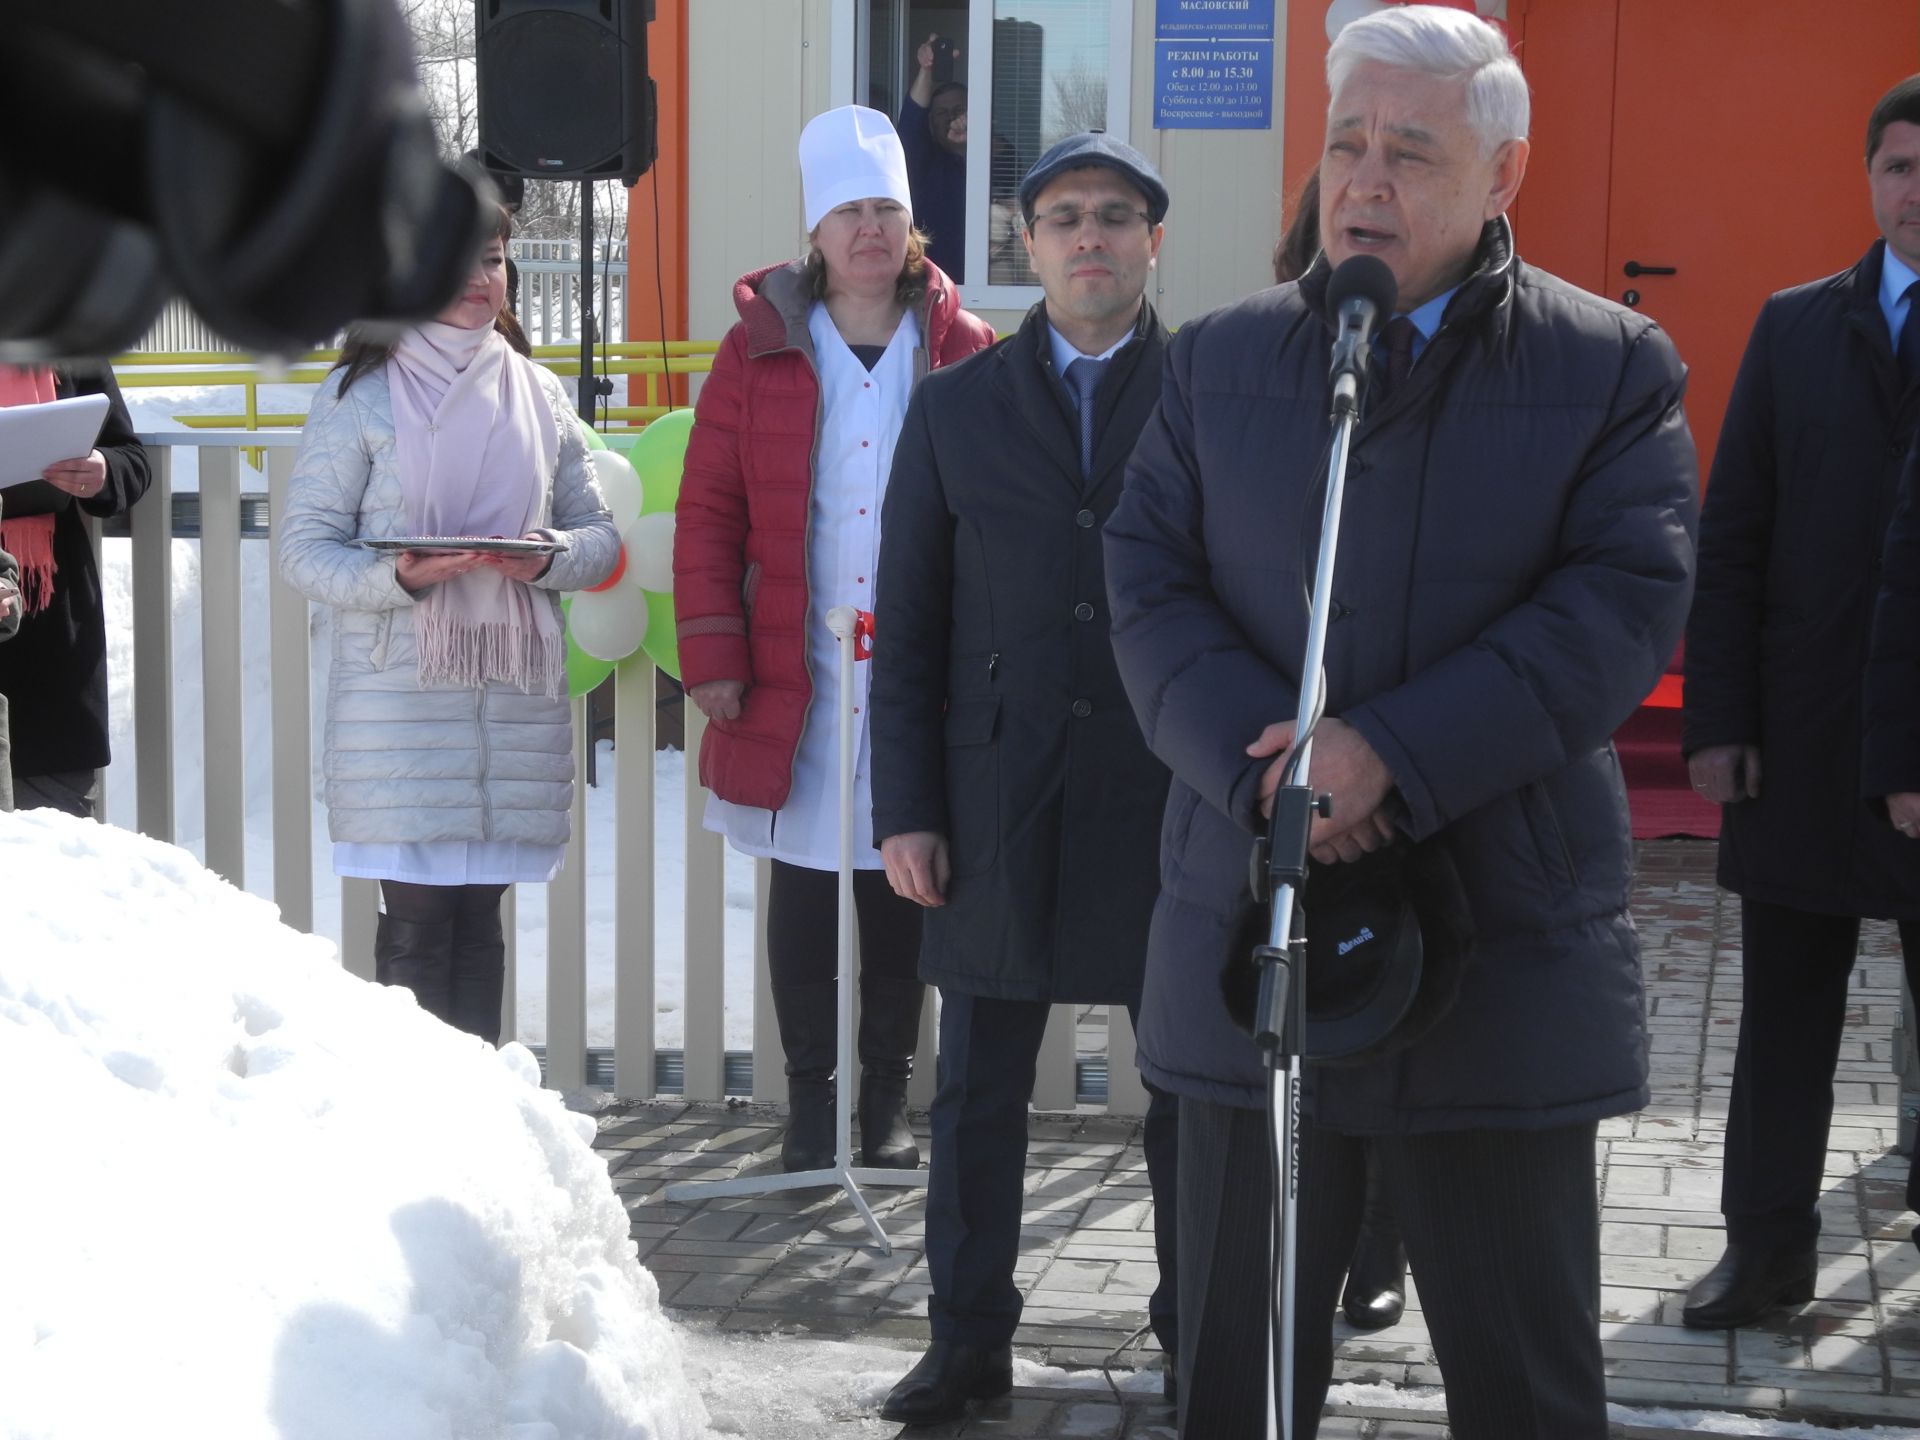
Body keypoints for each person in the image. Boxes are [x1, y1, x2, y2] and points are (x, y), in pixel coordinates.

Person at [1104, 8, 1697, 1437]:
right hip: (1262, 946)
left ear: (1502, 173)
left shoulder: (1610, 367)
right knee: (1233, 1387)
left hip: (1500, 958)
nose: (1363, 183)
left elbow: (1618, 607)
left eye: (1410, 152)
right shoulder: (1220, 360)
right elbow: (1146, 585)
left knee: (1529, 1389)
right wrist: (1282, 775)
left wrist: (1392, 758)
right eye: (1347, 145)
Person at [870, 132, 1180, 1426]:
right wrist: (908, 809)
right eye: (1064, 218)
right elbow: (911, 619)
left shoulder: (1212, 389)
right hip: (998, 797)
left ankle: (1201, 1328)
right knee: (979, 1091)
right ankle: (966, 1343)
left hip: (1172, 794)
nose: (1090, 237)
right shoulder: (955, 405)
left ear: (1153, 239)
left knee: (1190, 1089)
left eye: (1115, 215)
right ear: (1026, 242)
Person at [673, 106, 993, 1174]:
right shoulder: (758, 344)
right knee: (807, 881)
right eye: (849, 211)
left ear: (913, 229)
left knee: (906, 878)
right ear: (814, 230)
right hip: (792, 665)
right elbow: (709, 510)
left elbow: (996, 517)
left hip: (915, 670)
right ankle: (813, 1107)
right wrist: (714, 655)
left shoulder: (959, 346)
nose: (869, 231)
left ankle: (886, 1107)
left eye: (888, 211)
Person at [1681, 74, 1920, 1326]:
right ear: (1869, 177)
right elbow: (1735, 532)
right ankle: (1764, 1250)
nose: (1914, 192)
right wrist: (1716, 720)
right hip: (1802, 739)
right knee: (1781, 1025)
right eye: (1898, 166)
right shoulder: (1795, 325)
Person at [277, 207, 618, 1045]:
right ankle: (417, 1131)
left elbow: (599, 535)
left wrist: (544, 558)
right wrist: (398, 575)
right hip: (401, 706)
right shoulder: (362, 393)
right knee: (420, 928)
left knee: (481, 929)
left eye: (494, 261)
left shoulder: (537, 392)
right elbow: (304, 550)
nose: (481, 279)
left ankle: (484, 1127)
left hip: (512, 703)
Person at [1270, 164, 1408, 1337]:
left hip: (1396, 766)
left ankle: (1380, 1243)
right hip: (1279, 766)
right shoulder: (1257, 364)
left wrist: (1380, 757)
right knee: (1309, 1036)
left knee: (1389, 1018)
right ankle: (1318, 1251)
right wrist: (1274, 758)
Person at [0, 361, 152, 817]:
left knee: (57, 858)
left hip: (50, 642)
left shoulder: (72, 341)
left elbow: (130, 459)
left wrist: (102, 470)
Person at [900, 34, 967, 282]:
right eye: (941, 112)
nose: (951, 117)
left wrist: (969, 147)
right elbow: (912, 119)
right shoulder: (923, 162)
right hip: (929, 288)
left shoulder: (996, 159)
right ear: (930, 123)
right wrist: (926, 70)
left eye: (959, 110)